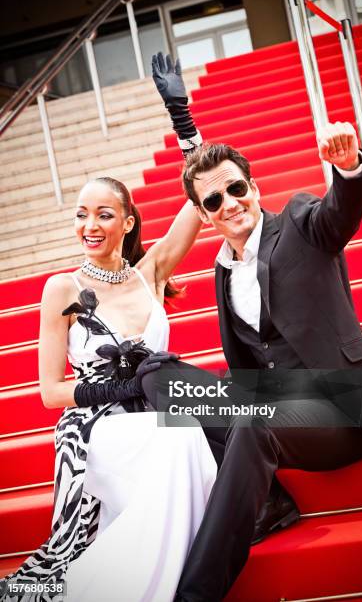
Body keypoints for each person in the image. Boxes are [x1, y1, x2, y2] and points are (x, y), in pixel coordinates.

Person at [150, 53, 362, 601]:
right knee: (166, 385)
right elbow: (205, 178)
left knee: (250, 419)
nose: (230, 203)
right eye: (215, 202)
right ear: (205, 215)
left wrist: (349, 167)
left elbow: (342, 210)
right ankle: (272, 504)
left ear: (253, 186)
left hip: (342, 408)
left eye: (237, 189)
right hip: (274, 402)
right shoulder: (222, 266)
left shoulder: (297, 221)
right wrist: (181, 120)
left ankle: (194, 592)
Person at [0, 176, 218, 602]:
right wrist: (124, 388)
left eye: (103, 214)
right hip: (93, 431)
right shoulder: (63, 288)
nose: (90, 225)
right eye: (81, 215)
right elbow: (51, 392)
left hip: (152, 416)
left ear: (129, 223)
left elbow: (202, 196)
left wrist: (186, 129)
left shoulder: (149, 274)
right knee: (180, 435)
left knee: (188, 428)